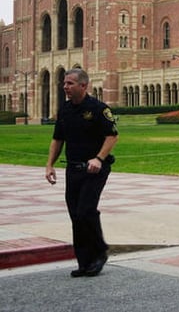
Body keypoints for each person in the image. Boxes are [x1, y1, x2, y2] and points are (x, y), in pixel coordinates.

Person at [45, 68, 118, 277]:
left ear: (83, 86)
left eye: (69, 83)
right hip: (73, 169)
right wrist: (50, 165)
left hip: (95, 169)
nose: (65, 87)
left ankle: (100, 251)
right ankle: (85, 262)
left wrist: (98, 158)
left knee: (86, 210)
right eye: (64, 83)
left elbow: (112, 136)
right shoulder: (65, 110)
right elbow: (57, 139)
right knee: (76, 215)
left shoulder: (98, 109)